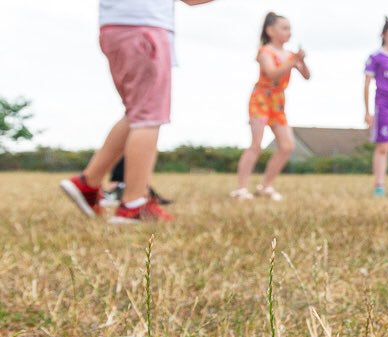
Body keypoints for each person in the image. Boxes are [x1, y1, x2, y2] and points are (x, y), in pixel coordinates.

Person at [59, 0, 215, 224]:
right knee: (148, 118)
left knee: (136, 113)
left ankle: (88, 183)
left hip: (114, 28)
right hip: (145, 28)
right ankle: (133, 204)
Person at [232, 12, 310, 202]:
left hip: (278, 102)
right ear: (270, 31)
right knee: (256, 145)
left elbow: (307, 75)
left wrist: (301, 60)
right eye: (284, 28)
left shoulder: (290, 55)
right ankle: (241, 188)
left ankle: (266, 185)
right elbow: (272, 73)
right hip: (261, 99)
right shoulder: (265, 51)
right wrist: (292, 61)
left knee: (286, 145)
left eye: (289, 28)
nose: (288, 32)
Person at [364, 18, 388, 198]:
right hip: (385, 108)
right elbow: (366, 84)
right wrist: (367, 111)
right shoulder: (376, 57)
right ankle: (379, 185)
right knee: (383, 147)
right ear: (384, 34)